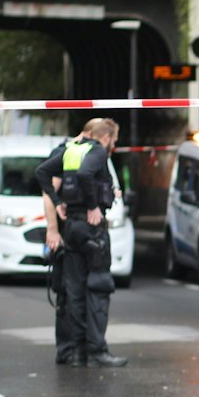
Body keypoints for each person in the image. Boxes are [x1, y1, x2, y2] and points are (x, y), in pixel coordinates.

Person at [39, 118, 126, 368]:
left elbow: (43, 174)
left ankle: (75, 352)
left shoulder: (68, 151)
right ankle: (96, 351)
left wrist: (59, 204)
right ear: (104, 137)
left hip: (71, 229)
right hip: (89, 229)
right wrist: (92, 206)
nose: (112, 146)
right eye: (113, 141)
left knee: (73, 292)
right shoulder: (94, 152)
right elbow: (83, 175)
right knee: (98, 287)